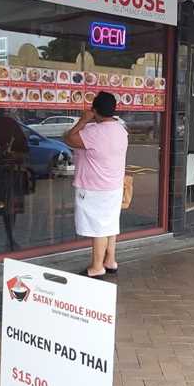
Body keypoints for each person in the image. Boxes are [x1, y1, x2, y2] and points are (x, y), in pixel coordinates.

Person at [64, 91, 128, 278]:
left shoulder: (92, 132)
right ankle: (110, 261)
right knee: (110, 225)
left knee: (98, 227)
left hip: (94, 188)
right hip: (114, 185)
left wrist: (83, 120)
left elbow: (68, 139)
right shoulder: (121, 129)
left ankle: (97, 267)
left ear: (94, 110)